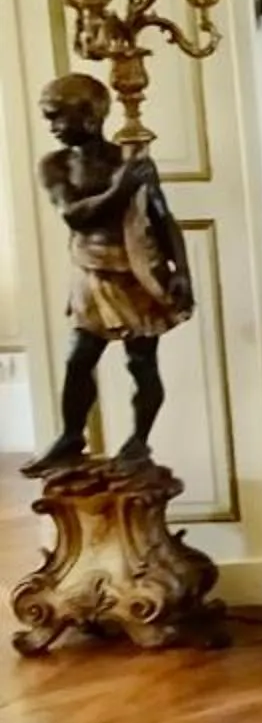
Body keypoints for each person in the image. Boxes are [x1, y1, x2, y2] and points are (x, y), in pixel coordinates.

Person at [25, 74, 193, 475]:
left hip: (137, 272)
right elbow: (74, 216)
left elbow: (163, 219)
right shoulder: (56, 165)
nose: (52, 128)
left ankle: (138, 441)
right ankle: (70, 436)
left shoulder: (130, 161)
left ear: (91, 114)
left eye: (57, 118)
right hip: (93, 271)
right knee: (79, 359)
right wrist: (120, 190)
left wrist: (182, 271)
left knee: (142, 362)